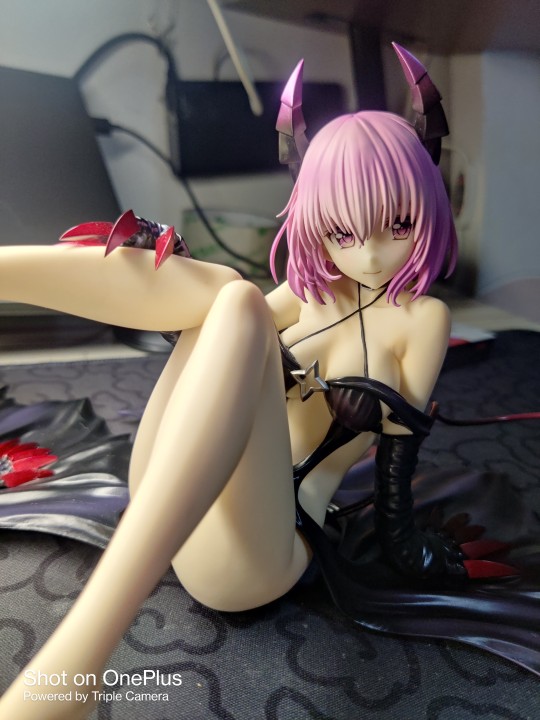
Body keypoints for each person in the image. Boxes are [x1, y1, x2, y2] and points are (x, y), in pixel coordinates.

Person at [0, 48, 537, 719]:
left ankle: (76, 663)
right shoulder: (309, 294)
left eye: (397, 225)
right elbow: (220, 336)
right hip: (167, 494)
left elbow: (398, 459)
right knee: (227, 290)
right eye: (342, 231)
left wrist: (408, 538)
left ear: (428, 207)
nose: (370, 253)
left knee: (239, 298)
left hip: (260, 552)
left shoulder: (421, 320)